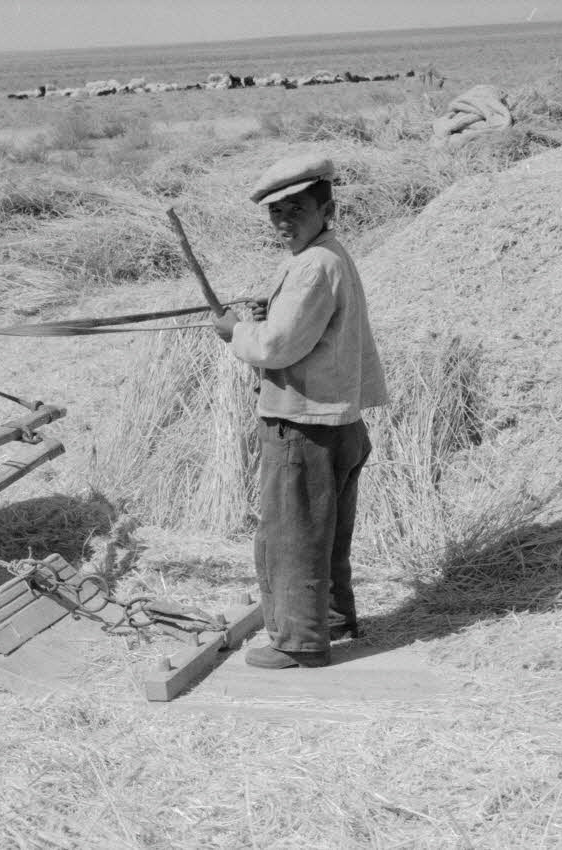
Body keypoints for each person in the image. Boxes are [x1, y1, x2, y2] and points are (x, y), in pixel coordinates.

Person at [211, 153, 388, 669]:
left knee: (291, 535)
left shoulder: (312, 265)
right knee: (326, 532)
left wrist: (237, 333)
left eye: (297, 209)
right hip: (339, 420)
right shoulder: (326, 254)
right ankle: (331, 618)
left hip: (304, 423)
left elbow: (277, 348)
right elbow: (304, 330)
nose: (284, 221)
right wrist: (268, 319)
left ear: (326, 207)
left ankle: (298, 643)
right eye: (276, 213)